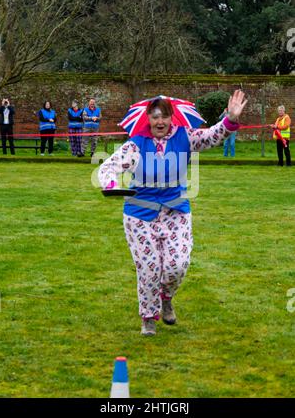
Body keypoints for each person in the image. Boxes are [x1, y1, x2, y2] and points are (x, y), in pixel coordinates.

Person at [98, 90, 247, 336]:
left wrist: (229, 119)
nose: (160, 122)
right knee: (149, 268)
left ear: (171, 117)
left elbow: (211, 136)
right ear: (147, 118)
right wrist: (112, 184)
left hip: (175, 211)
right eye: (155, 116)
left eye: (164, 116)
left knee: (177, 265)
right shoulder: (136, 144)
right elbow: (108, 167)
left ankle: (166, 298)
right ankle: (148, 317)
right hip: (139, 214)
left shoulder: (184, 137)